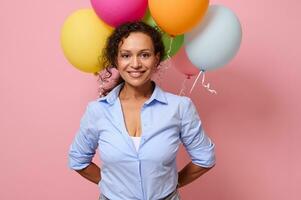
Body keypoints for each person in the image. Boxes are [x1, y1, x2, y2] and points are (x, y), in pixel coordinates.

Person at [68, 21, 216, 200]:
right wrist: (110, 185)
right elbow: (78, 160)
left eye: (144, 55)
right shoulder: (97, 111)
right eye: (126, 55)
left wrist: (171, 185)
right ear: (116, 60)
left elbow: (205, 158)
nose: (135, 64)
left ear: (156, 58)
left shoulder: (180, 107)